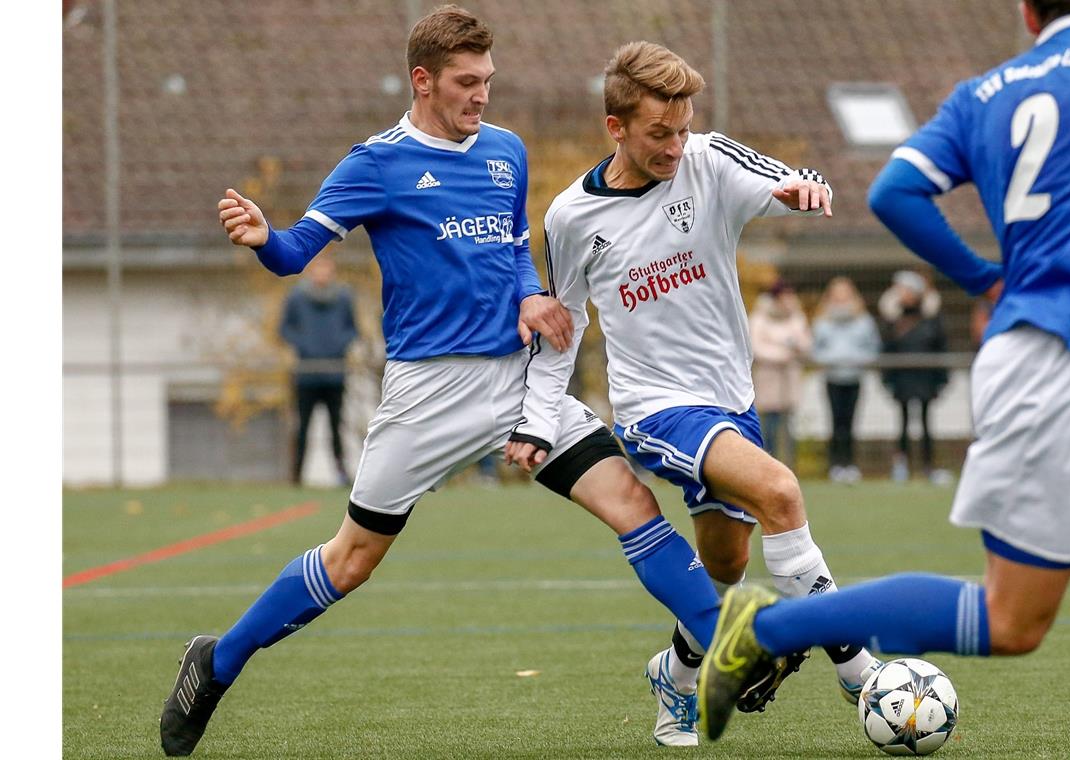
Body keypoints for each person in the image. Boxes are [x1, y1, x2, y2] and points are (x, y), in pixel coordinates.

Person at [161, 8, 725, 755]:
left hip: (517, 381)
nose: (481, 96)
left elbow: (515, 250)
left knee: (629, 500)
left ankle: (731, 652)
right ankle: (218, 660)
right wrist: (266, 239)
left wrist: (530, 293)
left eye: (487, 81)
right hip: (427, 395)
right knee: (351, 561)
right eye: (466, 83)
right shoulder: (376, 162)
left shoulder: (505, 152)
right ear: (422, 82)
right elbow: (297, 252)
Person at [699, 0, 1070, 743]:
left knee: (1009, 619)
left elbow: (893, 192)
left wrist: (984, 278)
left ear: (1028, 14)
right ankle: (773, 627)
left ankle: (773, 627)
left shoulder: (987, 93)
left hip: (1036, 349)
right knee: (1013, 620)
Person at [505, 40, 880, 748]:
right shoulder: (569, 219)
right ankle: (866, 678)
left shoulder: (708, 159)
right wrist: (537, 418)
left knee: (726, 564)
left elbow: (782, 180)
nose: (676, 146)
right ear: (616, 127)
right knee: (780, 492)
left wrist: (804, 191)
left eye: (682, 128)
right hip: (656, 407)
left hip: (730, 397)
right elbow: (560, 330)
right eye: (658, 133)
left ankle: (674, 680)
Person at [278, 253, 358, 486]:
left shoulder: (344, 297)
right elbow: (285, 329)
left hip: (335, 373)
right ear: (311, 272)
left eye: (327, 269)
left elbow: (352, 329)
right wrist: (306, 345)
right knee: (302, 428)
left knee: (336, 428)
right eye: (318, 269)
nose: (322, 274)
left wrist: (338, 345)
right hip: (306, 374)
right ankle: (296, 477)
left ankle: (342, 475)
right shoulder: (296, 297)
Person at [877, 270, 951, 484]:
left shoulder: (931, 319)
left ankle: (928, 466)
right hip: (902, 380)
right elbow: (886, 350)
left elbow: (941, 348)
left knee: (927, 424)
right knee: (902, 424)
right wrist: (887, 380)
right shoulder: (892, 319)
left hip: (926, 379)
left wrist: (941, 380)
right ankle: (901, 466)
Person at [811, 276, 880, 484]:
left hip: (854, 377)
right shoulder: (822, 322)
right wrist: (831, 359)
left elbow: (873, 348)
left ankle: (850, 464)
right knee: (835, 422)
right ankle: (835, 465)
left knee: (850, 422)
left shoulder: (864, 321)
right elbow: (814, 350)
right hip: (832, 377)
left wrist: (857, 360)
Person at [748, 279, 812, 469]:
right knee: (769, 425)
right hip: (769, 378)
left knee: (790, 425)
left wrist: (787, 345)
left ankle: (790, 467)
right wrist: (785, 351)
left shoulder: (796, 317)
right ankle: (769, 467)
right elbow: (757, 348)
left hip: (790, 379)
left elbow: (806, 344)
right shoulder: (759, 318)